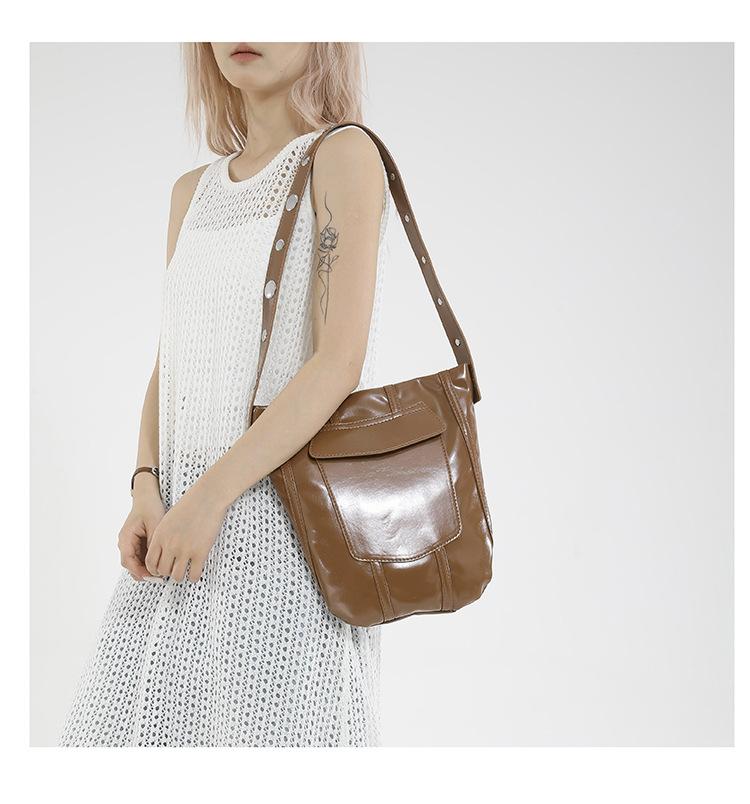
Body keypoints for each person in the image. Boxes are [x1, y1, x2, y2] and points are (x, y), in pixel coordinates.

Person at [60, 42, 390, 747]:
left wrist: (207, 500)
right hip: (176, 544)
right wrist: (145, 487)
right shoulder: (191, 193)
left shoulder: (342, 157)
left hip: (285, 553)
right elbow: (171, 362)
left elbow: (337, 364)